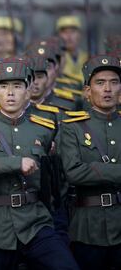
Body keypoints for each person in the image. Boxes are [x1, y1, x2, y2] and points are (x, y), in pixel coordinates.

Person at [0, 60, 79, 269]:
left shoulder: (43, 127)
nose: (10, 93)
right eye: (4, 87)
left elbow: (53, 179)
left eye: (17, 86)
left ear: (27, 91)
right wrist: (15, 163)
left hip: (35, 220)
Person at [60, 55, 121, 270]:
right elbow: (74, 173)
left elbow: (86, 171)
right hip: (88, 227)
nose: (108, 89)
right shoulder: (72, 128)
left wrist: (96, 171)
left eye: (114, 82)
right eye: (100, 82)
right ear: (87, 92)